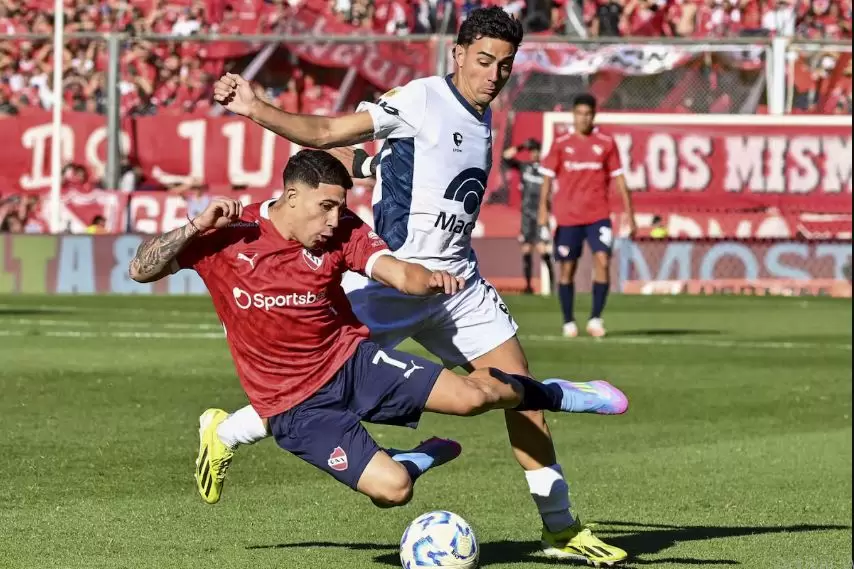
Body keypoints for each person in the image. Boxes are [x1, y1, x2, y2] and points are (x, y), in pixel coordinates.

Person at [211, 8, 629, 565]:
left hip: (459, 283)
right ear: (456, 55)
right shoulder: (421, 98)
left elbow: (402, 167)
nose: (493, 75)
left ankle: (560, 529)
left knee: (519, 394)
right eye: (483, 61)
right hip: (393, 281)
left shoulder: (480, 116)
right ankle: (227, 432)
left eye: (504, 66)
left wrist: (373, 169)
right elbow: (329, 134)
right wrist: (256, 107)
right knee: (316, 384)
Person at [127, 149, 627, 510]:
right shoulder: (226, 238)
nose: (334, 219)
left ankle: (559, 394)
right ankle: (419, 456)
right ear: (291, 195)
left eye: (340, 206)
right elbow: (140, 270)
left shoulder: (343, 229)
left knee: (474, 398)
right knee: (394, 491)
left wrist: (427, 279)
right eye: (325, 207)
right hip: (292, 406)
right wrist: (194, 227)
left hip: (354, 363)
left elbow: (393, 269)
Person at [538, 94, 637, 339]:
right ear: (574, 114)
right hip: (568, 216)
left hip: (598, 215)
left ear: (594, 115)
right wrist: (543, 208)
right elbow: (547, 179)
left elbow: (620, 178)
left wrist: (630, 214)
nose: (584, 118)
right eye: (580, 113)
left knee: (603, 260)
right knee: (567, 270)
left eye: (588, 114)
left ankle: (595, 318)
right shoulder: (561, 142)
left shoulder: (605, 142)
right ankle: (569, 321)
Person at [502, 137, 554, 294]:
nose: (534, 154)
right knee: (526, 249)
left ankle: (553, 287)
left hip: (541, 215)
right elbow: (505, 157)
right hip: (526, 215)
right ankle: (528, 286)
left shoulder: (546, 169)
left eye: (536, 151)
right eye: (532, 151)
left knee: (543, 249)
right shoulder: (525, 167)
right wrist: (521, 145)